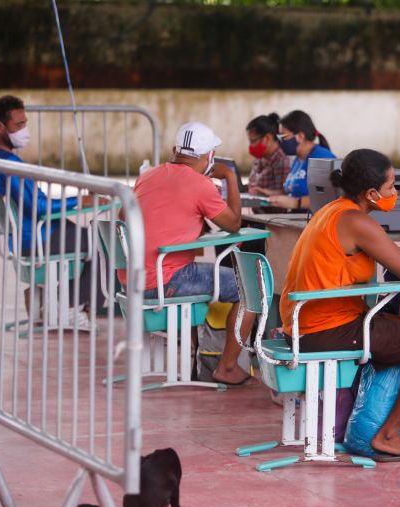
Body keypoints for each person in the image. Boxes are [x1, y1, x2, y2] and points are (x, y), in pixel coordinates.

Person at [280, 148, 400, 460]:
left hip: (304, 323)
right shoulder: (357, 222)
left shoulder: (330, 210)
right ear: (372, 194)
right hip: (325, 329)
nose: (395, 193)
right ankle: (388, 434)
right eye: (390, 187)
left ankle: (368, 419)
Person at [123, 121, 255, 386]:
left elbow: (122, 217)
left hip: (131, 278)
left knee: (203, 277)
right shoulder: (200, 184)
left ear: (175, 149)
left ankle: (197, 359)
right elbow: (234, 224)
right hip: (165, 280)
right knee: (253, 288)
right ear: (210, 157)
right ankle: (226, 367)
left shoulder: (147, 175)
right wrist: (229, 176)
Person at [0, 94, 98, 329]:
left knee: (84, 236)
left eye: (25, 123)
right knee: (102, 243)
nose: (25, 130)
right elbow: (40, 207)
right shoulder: (8, 165)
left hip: (25, 237)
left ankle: (51, 301)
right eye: (19, 125)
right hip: (38, 238)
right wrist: (80, 200)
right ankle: (68, 308)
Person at [268, 110, 336, 210]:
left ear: (300, 136)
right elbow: (292, 191)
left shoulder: (322, 157)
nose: (280, 142)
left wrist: (297, 203)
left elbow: (332, 198)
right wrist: (267, 194)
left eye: (283, 136)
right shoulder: (298, 159)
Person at [243, 113, 291, 197]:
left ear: (267, 138)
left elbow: (284, 195)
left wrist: (263, 193)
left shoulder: (281, 161)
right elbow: (253, 186)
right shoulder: (260, 159)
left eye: (253, 141)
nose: (251, 146)